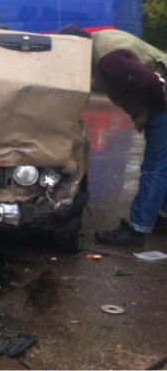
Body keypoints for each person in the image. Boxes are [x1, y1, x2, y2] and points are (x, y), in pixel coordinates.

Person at [56, 24, 167, 245]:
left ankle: (136, 230)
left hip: (162, 106)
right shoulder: (101, 39)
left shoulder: (107, 60)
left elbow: (152, 83)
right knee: (163, 165)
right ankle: (161, 219)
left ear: (78, 47)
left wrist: (157, 114)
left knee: (154, 168)